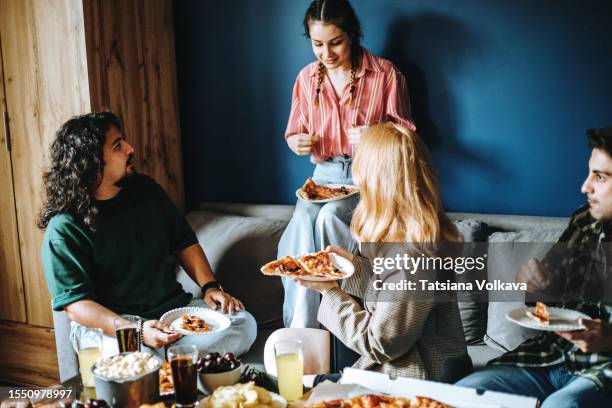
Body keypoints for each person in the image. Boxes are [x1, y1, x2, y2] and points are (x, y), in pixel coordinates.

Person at [38, 111, 257, 357]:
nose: (130, 149)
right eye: (118, 145)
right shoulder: (64, 228)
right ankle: (175, 366)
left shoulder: (146, 191)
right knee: (138, 355)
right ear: (90, 162)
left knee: (243, 323)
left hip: (172, 312)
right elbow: (77, 306)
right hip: (113, 328)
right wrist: (138, 331)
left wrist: (210, 287)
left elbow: (183, 241)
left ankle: (168, 368)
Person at [279, 0, 416, 328]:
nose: (326, 53)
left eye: (335, 42)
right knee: (301, 223)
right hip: (323, 175)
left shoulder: (385, 74)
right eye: (317, 44)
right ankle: (301, 327)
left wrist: (376, 134)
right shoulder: (306, 78)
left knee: (329, 219)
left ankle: (340, 323)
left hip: (370, 174)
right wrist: (295, 141)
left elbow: (407, 136)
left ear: (352, 36)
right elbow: (293, 132)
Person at [294, 123, 467, 380]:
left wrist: (329, 291)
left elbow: (380, 344)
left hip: (414, 380)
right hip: (402, 373)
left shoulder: (411, 261)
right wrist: (351, 268)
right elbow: (393, 295)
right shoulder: (412, 238)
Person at [456, 127, 612, 407]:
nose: (585, 186)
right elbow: (543, 300)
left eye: (600, 177)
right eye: (590, 173)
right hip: (551, 355)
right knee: (465, 393)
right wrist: (534, 283)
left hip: (604, 371)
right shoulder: (585, 221)